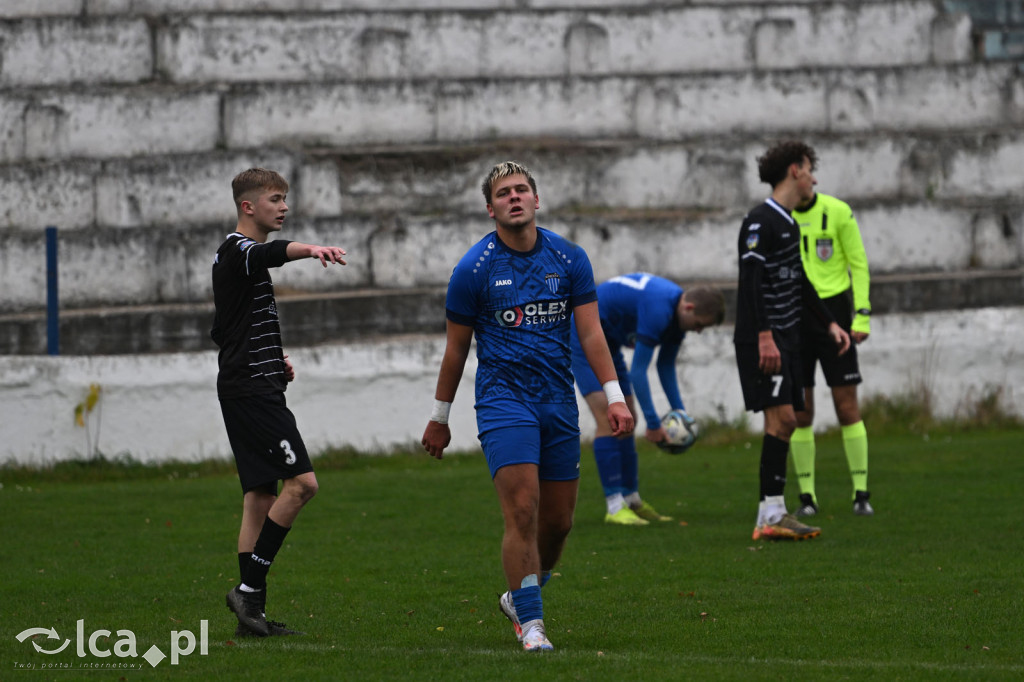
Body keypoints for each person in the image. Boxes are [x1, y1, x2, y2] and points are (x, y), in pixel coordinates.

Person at [421, 161, 634, 652]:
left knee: (558, 524)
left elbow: (591, 333)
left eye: (521, 190)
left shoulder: (569, 258)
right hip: (503, 401)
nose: (513, 197)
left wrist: (615, 398)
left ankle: (521, 597)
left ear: (536, 200)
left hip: (557, 402)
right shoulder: (473, 270)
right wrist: (439, 417)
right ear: (490, 207)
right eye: (503, 193)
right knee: (522, 509)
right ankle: (532, 627)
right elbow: (455, 350)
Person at [212, 168, 347, 637]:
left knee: (260, 497)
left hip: (249, 381)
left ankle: (252, 617)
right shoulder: (239, 251)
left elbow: (222, 329)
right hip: (251, 390)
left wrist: (273, 360)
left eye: (285, 199)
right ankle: (248, 591)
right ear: (248, 207)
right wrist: (312, 250)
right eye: (275, 199)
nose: (284, 207)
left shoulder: (232, 260)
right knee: (302, 485)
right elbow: (268, 253)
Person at [733, 141, 851, 541]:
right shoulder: (759, 221)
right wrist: (765, 336)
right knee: (783, 419)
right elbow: (751, 282)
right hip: (764, 340)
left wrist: (830, 324)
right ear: (795, 171)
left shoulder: (788, 222)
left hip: (785, 338)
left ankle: (771, 513)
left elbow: (798, 283)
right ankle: (771, 514)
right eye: (810, 170)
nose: (814, 180)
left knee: (785, 421)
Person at [569, 274, 726, 525]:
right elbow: (639, 372)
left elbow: (665, 366)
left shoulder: (677, 318)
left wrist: (680, 413)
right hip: (582, 336)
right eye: (699, 324)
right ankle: (614, 506)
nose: (697, 331)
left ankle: (632, 500)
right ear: (689, 307)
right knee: (608, 420)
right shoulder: (659, 309)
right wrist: (654, 423)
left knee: (627, 418)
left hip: (608, 341)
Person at [792, 190, 874, 517]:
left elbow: (859, 263)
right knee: (801, 413)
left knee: (846, 406)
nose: (809, 179)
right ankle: (807, 498)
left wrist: (862, 313)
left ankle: (861, 494)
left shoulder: (839, 210)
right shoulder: (779, 218)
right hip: (796, 318)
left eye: (810, 171)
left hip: (836, 312)